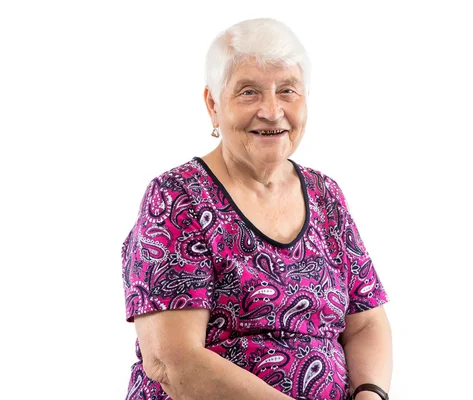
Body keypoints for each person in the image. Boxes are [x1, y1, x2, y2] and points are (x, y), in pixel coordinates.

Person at [121, 18, 392, 400]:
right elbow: (173, 360)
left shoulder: (325, 195)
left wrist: (370, 394)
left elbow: (366, 324)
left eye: (287, 91)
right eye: (248, 92)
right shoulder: (176, 197)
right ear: (213, 104)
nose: (271, 110)